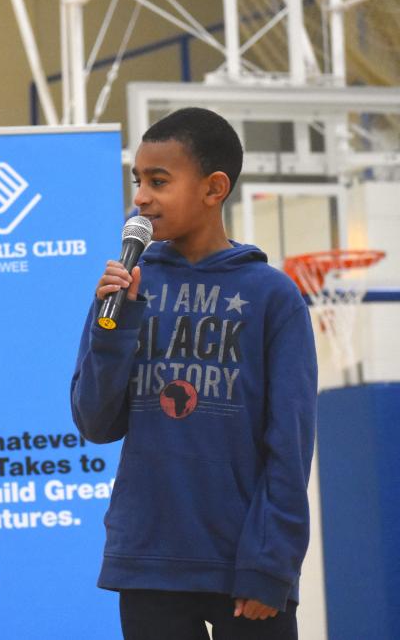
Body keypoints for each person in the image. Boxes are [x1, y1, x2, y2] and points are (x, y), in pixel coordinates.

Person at [70, 107, 317, 640]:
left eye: (159, 181)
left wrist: (271, 562)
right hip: (148, 559)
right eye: (138, 181)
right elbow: (95, 422)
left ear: (214, 188)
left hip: (244, 563)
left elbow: (290, 445)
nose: (141, 197)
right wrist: (113, 328)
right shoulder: (127, 286)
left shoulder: (272, 297)